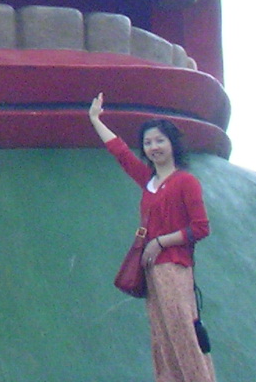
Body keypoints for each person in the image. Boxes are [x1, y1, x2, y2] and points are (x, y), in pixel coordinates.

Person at [90, 93, 214, 382]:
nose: (154, 147)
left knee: (182, 334)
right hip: (151, 271)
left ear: (172, 144)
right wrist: (95, 119)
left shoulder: (186, 182)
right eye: (148, 142)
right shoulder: (148, 181)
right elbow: (121, 152)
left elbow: (200, 227)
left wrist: (160, 241)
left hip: (175, 267)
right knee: (162, 337)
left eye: (160, 140)